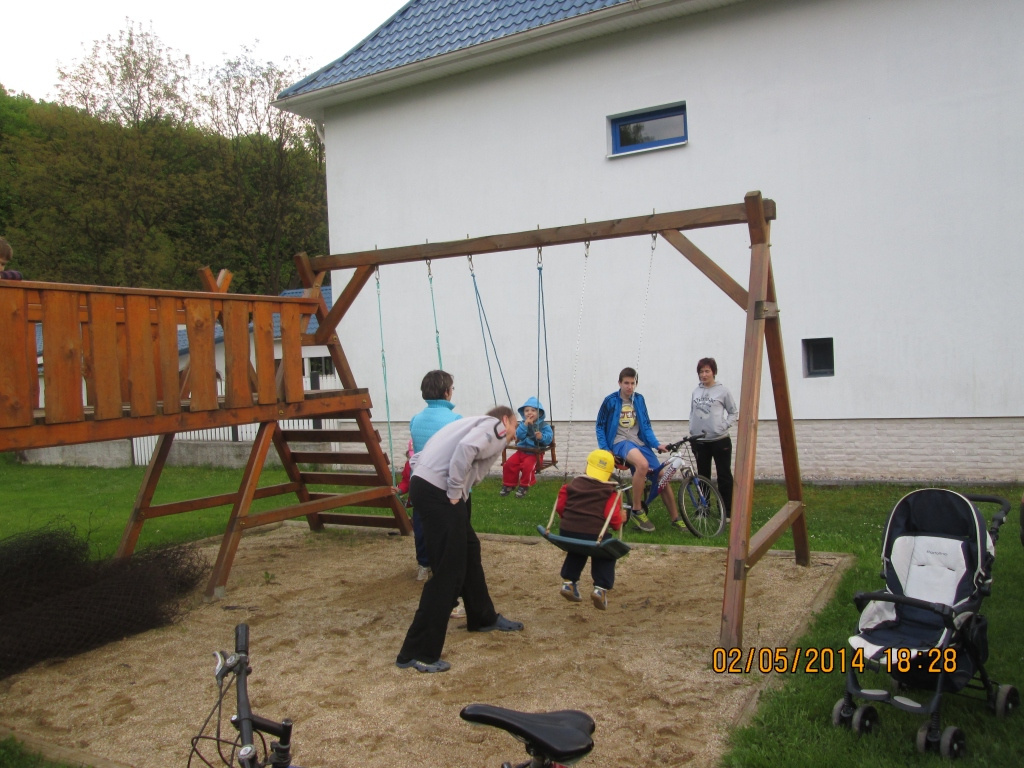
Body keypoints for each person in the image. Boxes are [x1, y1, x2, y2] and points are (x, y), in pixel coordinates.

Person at [396, 406, 525, 673]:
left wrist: (445, 486)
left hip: (431, 487)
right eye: (515, 425)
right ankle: (416, 652)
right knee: (449, 570)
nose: (515, 432)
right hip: (440, 492)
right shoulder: (494, 428)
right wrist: (454, 489)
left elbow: (421, 455)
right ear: (505, 420)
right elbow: (466, 449)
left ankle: (482, 617)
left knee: (469, 548)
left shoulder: (470, 423)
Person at [595, 367, 683, 532]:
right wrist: (606, 449)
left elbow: (646, 426)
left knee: (662, 476)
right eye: (626, 383)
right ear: (619, 383)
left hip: (639, 442)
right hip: (620, 442)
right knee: (642, 465)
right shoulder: (610, 401)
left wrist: (656, 444)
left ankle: (676, 518)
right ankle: (637, 510)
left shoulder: (639, 400)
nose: (629, 386)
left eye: (632, 383)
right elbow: (600, 426)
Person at [406, 370, 461, 582]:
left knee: (422, 523)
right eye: (451, 388)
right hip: (443, 481)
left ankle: (423, 564)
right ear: (446, 392)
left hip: (420, 480)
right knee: (447, 525)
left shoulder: (415, 419)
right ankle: (444, 566)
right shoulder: (455, 420)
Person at [555, 449, 625, 611]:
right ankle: (600, 589)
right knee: (607, 551)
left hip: (567, 532)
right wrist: (621, 518)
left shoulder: (571, 486)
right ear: (609, 473)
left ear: (587, 466)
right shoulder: (610, 492)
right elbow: (613, 520)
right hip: (594, 535)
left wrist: (569, 519)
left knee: (578, 548)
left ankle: (569, 583)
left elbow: (560, 507)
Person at [688, 357, 739, 521]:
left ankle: (727, 511)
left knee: (724, 476)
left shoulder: (723, 391)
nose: (704, 375)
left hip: (719, 440)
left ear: (713, 372)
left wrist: (723, 426)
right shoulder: (696, 392)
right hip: (700, 441)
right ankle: (704, 509)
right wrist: (692, 430)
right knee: (703, 477)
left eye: (707, 371)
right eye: (701, 372)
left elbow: (733, 412)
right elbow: (692, 412)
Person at [500, 396, 553, 498]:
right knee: (509, 464)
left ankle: (524, 486)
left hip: (535, 454)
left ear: (539, 413)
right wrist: (524, 425)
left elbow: (549, 439)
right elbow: (519, 436)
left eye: (533, 410)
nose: (529, 413)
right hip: (521, 452)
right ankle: (509, 484)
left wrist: (541, 437)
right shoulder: (522, 424)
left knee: (527, 467)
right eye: (526, 410)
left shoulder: (544, 426)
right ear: (523, 413)